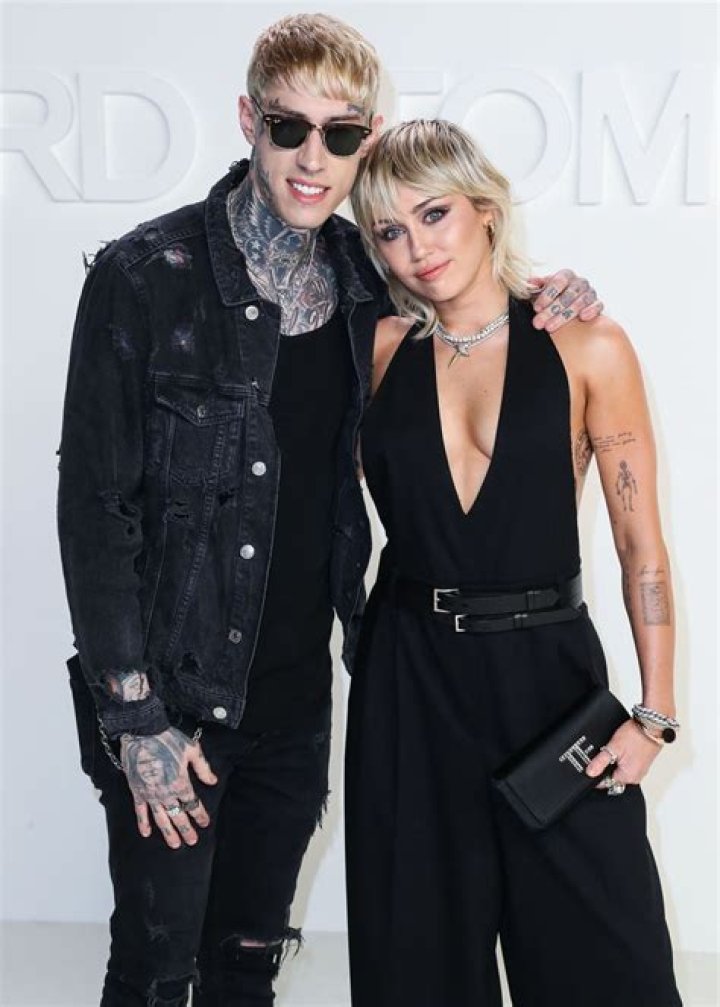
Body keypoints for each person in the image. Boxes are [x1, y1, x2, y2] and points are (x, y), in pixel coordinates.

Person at [57, 14, 603, 1007]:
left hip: (297, 706)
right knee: (156, 971)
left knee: (246, 968)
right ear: (248, 121)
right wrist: (134, 721)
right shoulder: (144, 277)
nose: (315, 158)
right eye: (289, 127)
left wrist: (551, 292)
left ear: (368, 137)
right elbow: (95, 510)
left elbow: (465, 291)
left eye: (342, 133)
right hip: (171, 701)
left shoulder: (366, 277)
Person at [347, 119, 682, 1007]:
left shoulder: (587, 345)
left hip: (550, 684)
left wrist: (653, 715)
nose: (418, 248)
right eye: (390, 230)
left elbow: (640, 544)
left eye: (435, 214)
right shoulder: (375, 354)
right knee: (417, 962)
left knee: (609, 963)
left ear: (486, 208)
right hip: (409, 682)